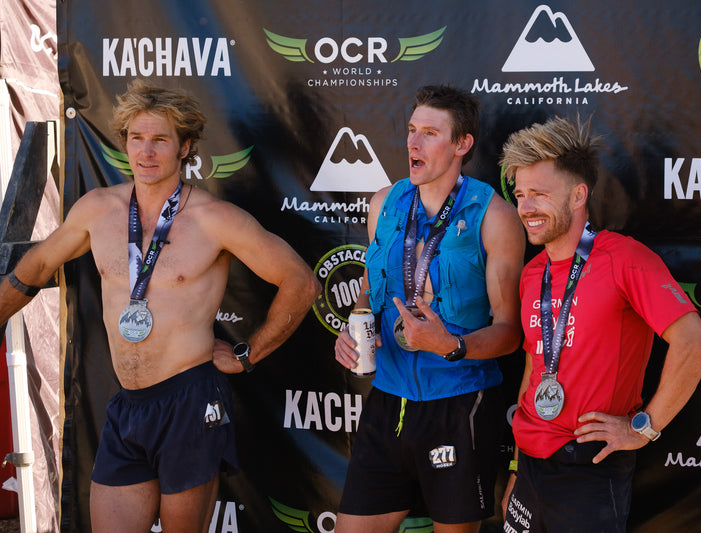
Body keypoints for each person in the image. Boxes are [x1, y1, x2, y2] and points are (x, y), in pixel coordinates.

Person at [0, 80, 320, 533]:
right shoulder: (97, 209)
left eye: (160, 140)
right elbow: (35, 266)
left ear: (185, 147)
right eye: (136, 138)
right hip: (128, 404)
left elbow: (300, 282)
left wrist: (249, 354)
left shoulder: (215, 219)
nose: (145, 152)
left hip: (190, 399)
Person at [499, 116, 701, 532]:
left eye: (540, 194)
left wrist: (644, 428)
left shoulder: (624, 257)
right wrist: (515, 466)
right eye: (521, 195)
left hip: (589, 468)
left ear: (578, 194)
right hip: (528, 467)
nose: (525, 208)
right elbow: (534, 366)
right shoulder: (532, 273)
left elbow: (695, 344)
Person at [333, 85, 526, 533]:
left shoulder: (494, 216)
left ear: (462, 144)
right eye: (411, 131)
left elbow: (510, 331)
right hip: (388, 399)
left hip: (459, 404)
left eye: (430, 133)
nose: (413, 144)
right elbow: (370, 288)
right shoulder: (384, 202)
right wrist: (355, 326)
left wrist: (450, 345)